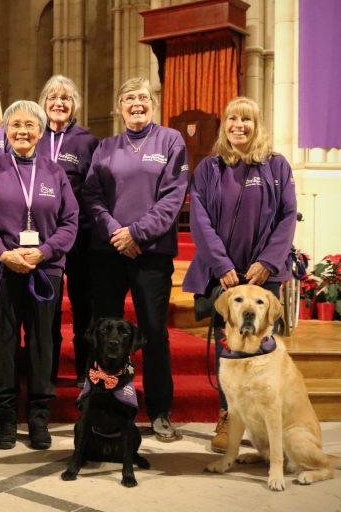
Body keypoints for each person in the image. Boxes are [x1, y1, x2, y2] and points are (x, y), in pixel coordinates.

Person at [182, 96, 297, 453]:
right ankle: (228, 414)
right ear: (224, 126)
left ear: (256, 124)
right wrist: (223, 266)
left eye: (246, 120)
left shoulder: (276, 166)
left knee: (264, 346)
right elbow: (198, 220)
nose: (239, 126)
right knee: (227, 345)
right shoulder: (209, 168)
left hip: (264, 272)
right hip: (225, 275)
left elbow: (287, 216)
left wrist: (268, 261)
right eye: (232, 119)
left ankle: (265, 418)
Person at [83, 77, 188, 442]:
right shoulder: (105, 147)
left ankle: (160, 411)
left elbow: (173, 198)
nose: (137, 104)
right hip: (109, 253)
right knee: (104, 331)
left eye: (143, 97)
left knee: (155, 334)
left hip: (151, 253)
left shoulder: (171, 141)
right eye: (129, 98)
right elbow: (92, 196)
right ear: (119, 106)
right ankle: (101, 400)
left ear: (153, 103)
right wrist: (117, 232)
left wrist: (136, 234)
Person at [0, 100, 78, 451]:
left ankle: (38, 415)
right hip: (3, 268)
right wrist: (3, 252)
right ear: (6, 130)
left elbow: (70, 222)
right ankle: (4, 415)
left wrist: (44, 252)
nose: (22, 131)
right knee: (3, 345)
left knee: (41, 343)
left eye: (30, 125)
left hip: (44, 270)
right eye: (15, 124)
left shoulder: (54, 172)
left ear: (40, 130)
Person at [36, 75, 99, 386]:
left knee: (83, 304)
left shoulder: (87, 141)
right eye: (52, 97)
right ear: (43, 103)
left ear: (75, 105)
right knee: (46, 305)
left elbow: (93, 189)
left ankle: (84, 371)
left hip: (80, 235)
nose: (59, 103)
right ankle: (46, 371)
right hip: (42, 236)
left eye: (65, 98)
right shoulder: (33, 134)